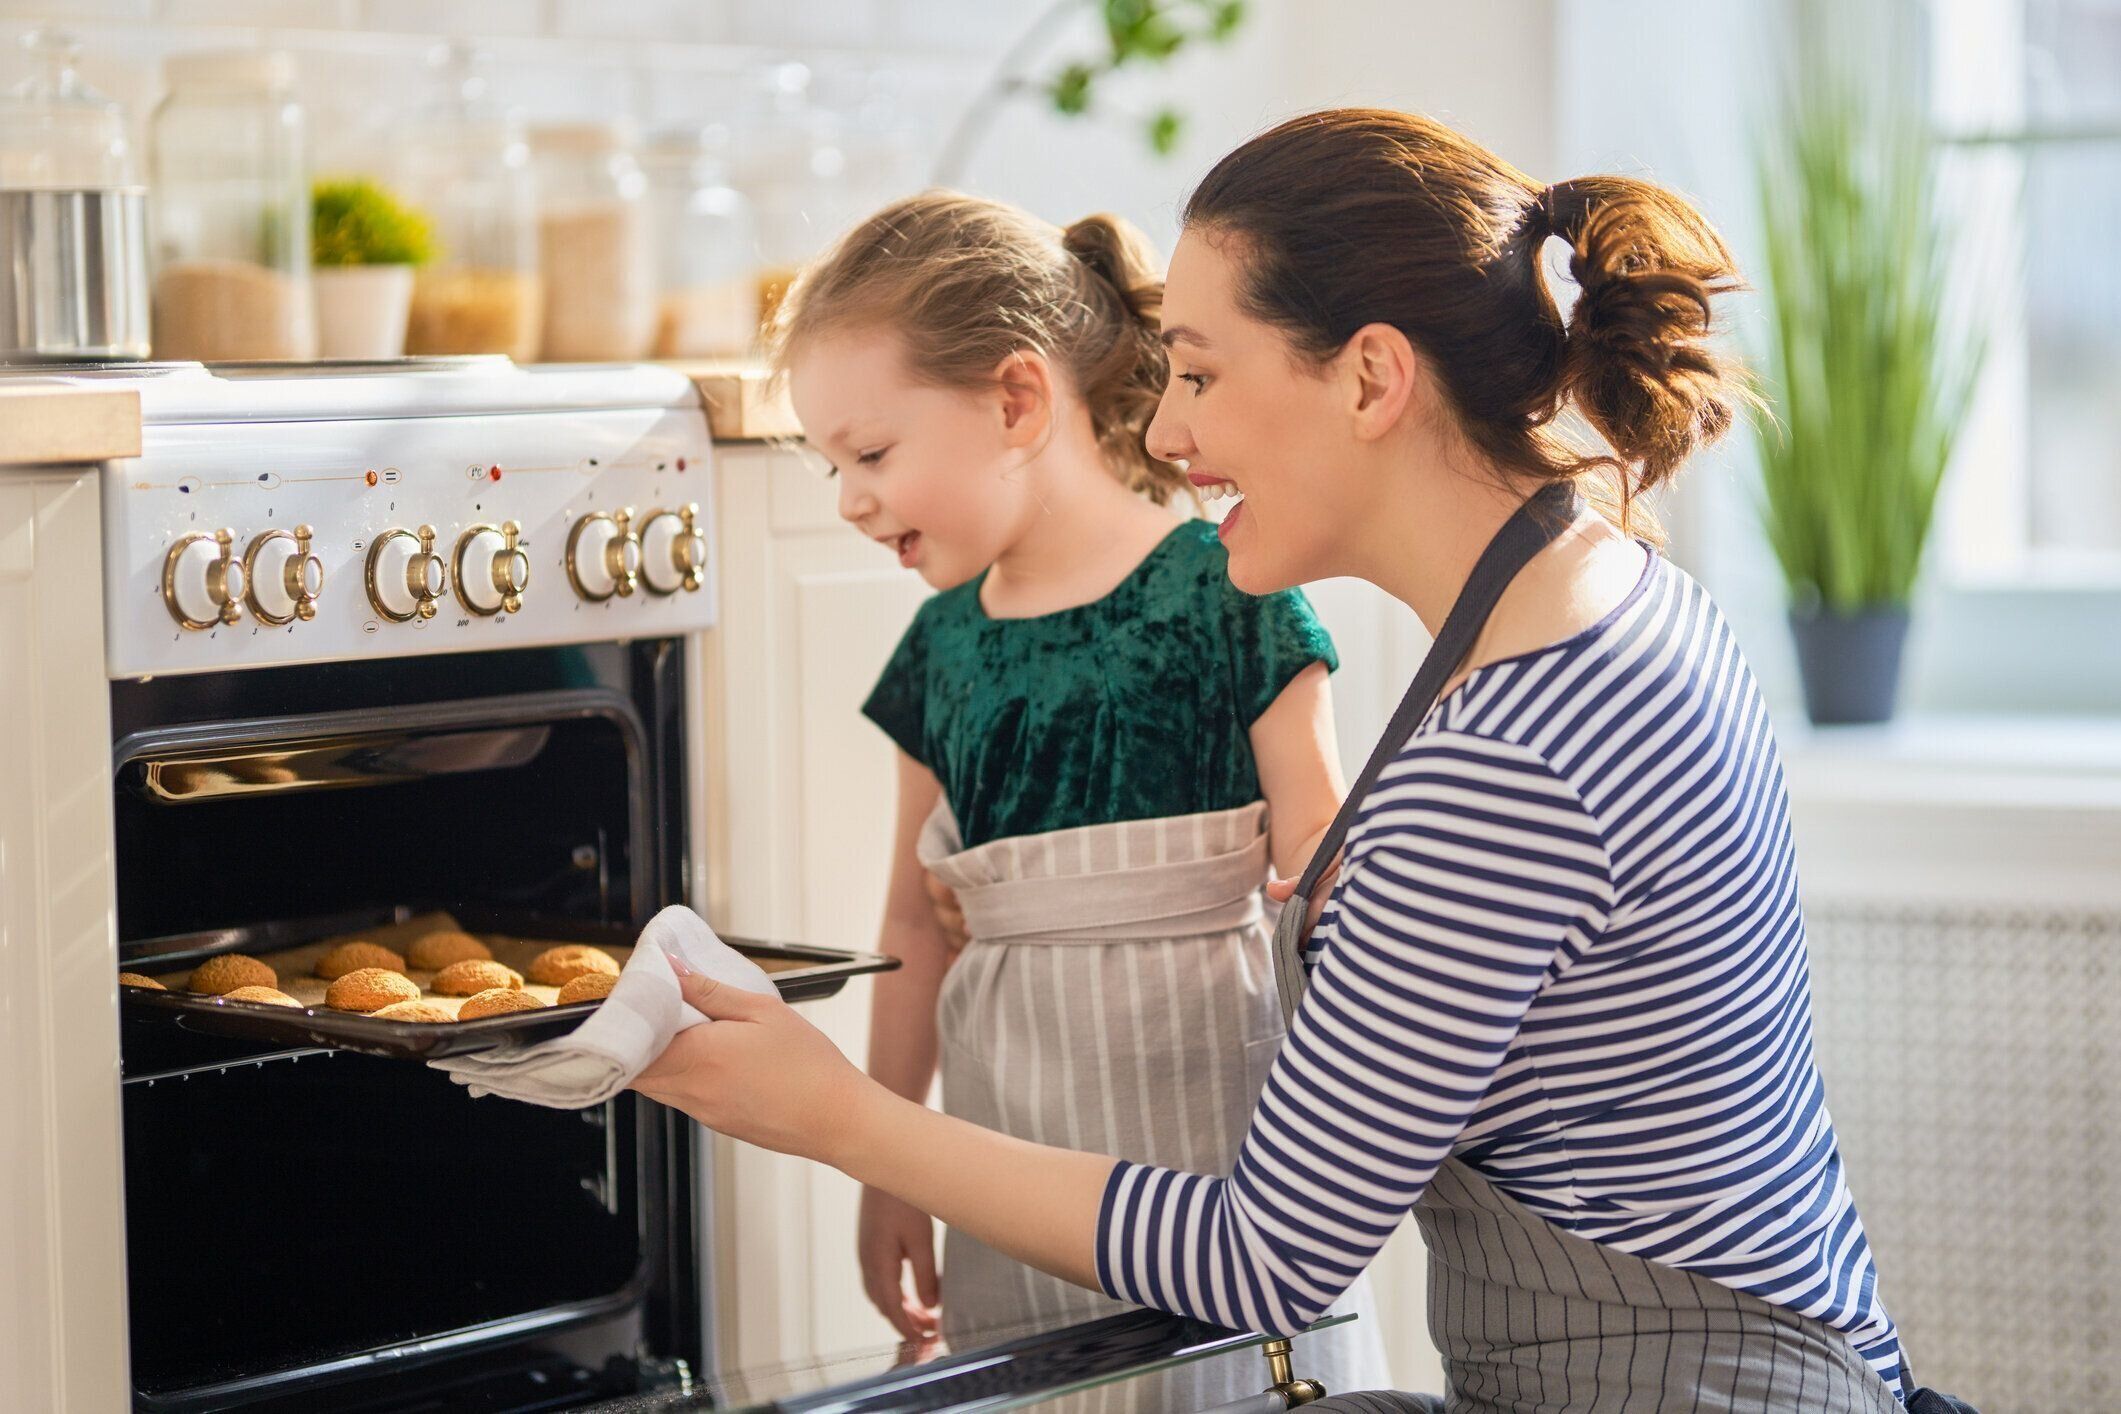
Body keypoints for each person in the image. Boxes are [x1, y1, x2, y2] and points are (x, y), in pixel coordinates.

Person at [639, 110, 1917, 1411]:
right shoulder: (1610, 593)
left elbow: (1268, 1254)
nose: (1172, 433)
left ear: (1369, 378)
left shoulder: (1503, 761)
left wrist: (836, 1116)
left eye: (1197, 372)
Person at [761, 189, 1388, 1400]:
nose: (848, 498)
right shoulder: (939, 653)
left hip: (1225, 1164)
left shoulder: (1226, 586)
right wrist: (890, 1169)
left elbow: (1325, 859)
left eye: (872, 453)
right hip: (1003, 1171)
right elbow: (909, 925)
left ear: (1016, 400)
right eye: (831, 462)